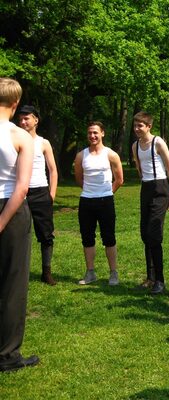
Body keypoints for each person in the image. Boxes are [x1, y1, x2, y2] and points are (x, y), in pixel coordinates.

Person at [0, 77, 38, 372]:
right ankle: (8, 354)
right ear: (14, 105)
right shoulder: (20, 137)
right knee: (12, 283)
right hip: (10, 212)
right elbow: (22, 187)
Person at [131, 111, 169, 295]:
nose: (136, 129)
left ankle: (160, 280)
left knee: (154, 233)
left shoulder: (158, 142)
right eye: (135, 126)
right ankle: (150, 277)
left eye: (140, 126)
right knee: (145, 233)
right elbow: (139, 167)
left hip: (160, 188)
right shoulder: (135, 146)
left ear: (149, 126)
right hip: (146, 188)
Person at [74, 121, 124, 286]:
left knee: (108, 237)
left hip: (106, 201)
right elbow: (79, 178)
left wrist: (106, 193)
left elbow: (119, 179)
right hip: (86, 202)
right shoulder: (81, 155)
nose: (92, 136)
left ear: (102, 133)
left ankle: (113, 273)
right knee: (87, 238)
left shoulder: (111, 155)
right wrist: (90, 192)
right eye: (90, 133)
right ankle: (90, 273)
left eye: (95, 132)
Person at [17, 105, 58, 285]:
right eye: (21, 119)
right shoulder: (15, 139)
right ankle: (17, 272)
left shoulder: (43, 143)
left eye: (27, 118)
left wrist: (51, 195)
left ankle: (46, 272)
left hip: (41, 191)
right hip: (20, 192)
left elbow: (53, 170)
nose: (23, 122)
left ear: (36, 120)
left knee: (46, 234)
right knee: (18, 233)